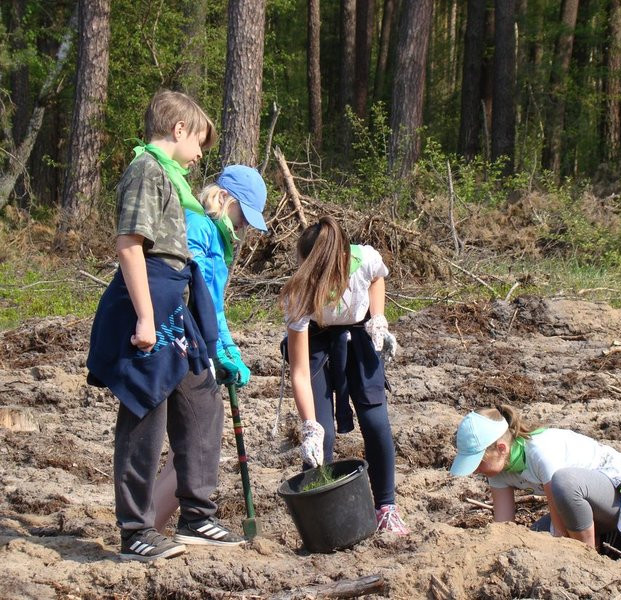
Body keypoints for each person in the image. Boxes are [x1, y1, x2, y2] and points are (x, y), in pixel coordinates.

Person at [87, 90, 244, 561]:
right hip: (148, 302)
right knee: (145, 411)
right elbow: (129, 245)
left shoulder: (172, 179)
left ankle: (197, 515)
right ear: (178, 130)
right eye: (198, 142)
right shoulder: (146, 171)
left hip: (175, 302)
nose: (199, 155)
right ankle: (136, 530)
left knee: (202, 399)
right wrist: (145, 318)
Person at [151, 165, 268, 532]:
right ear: (226, 198)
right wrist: (215, 349)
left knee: (193, 439)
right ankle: (162, 524)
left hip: (198, 340)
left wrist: (229, 349)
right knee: (199, 432)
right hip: (180, 338)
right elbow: (194, 294)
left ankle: (152, 524)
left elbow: (214, 306)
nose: (245, 224)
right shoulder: (200, 227)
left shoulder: (219, 237)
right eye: (244, 213)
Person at [279, 216, 408, 535]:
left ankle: (386, 507)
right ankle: (317, 515)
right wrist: (308, 426)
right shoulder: (300, 293)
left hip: (359, 335)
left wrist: (378, 319)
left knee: (375, 421)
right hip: (317, 341)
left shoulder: (364, 259)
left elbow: (377, 279)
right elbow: (299, 372)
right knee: (322, 434)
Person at [450, 405, 621, 559]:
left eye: (478, 461)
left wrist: (563, 557)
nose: (475, 470)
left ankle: (588, 560)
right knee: (530, 539)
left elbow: (559, 527)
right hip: (588, 509)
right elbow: (503, 527)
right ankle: (601, 544)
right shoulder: (498, 470)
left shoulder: (540, 451)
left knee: (564, 483)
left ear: (501, 448)